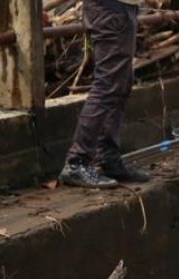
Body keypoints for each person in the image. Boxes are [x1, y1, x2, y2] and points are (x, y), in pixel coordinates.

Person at [59, 0, 150, 188]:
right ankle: (77, 162)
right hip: (110, 8)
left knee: (120, 85)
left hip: (119, 8)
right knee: (107, 85)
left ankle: (108, 158)